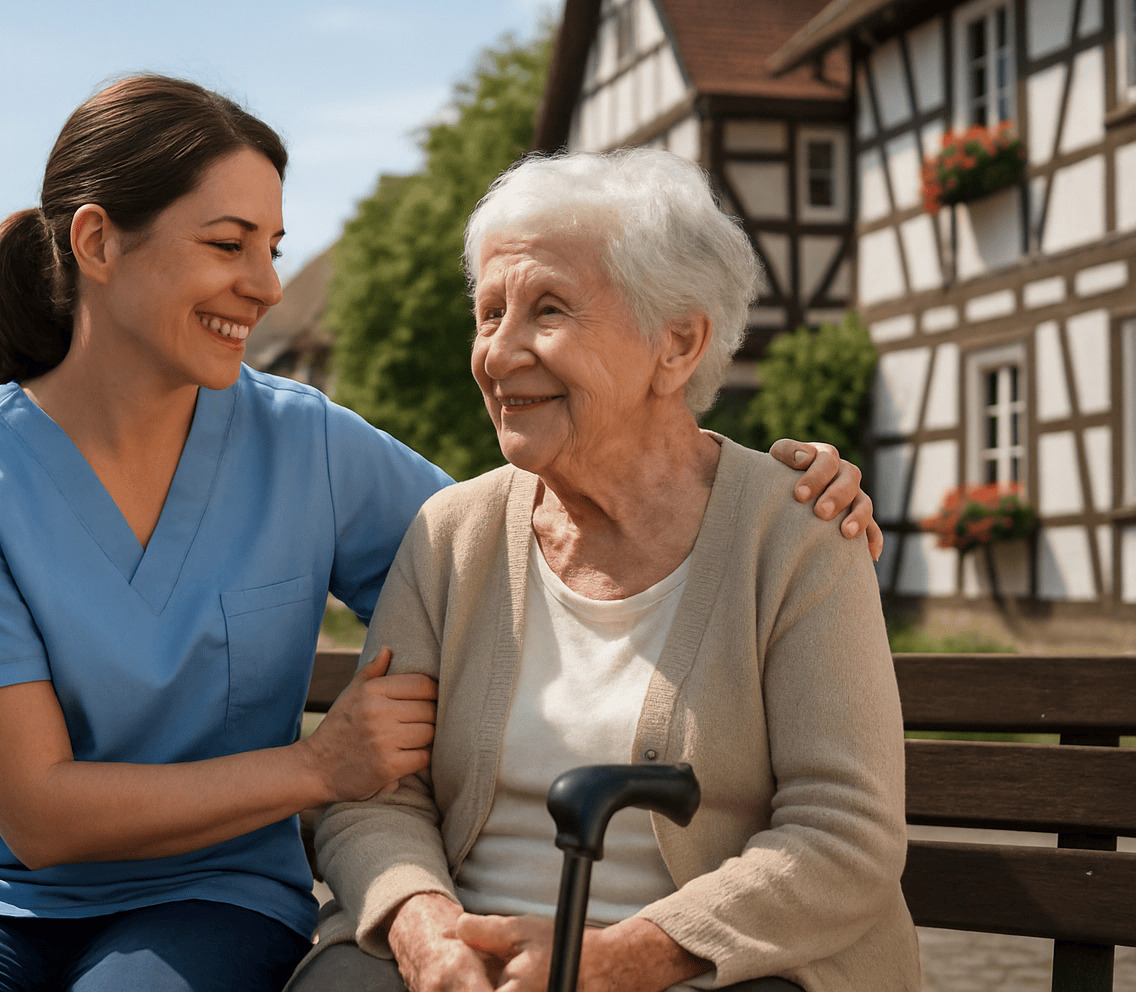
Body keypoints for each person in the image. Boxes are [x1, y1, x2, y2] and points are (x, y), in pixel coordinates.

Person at [0, 78, 881, 992]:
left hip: (210, 887)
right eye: (228, 243)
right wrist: (322, 772)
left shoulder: (309, 446)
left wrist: (774, 480)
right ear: (99, 244)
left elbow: (554, 514)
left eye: (272, 247)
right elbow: (41, 815)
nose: (269, 284)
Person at [294, 149, 919, 992]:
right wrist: (422, 926)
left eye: (548, 311)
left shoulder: (796, 533)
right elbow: (374, 796)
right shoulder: (450, 535)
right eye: (488, 314)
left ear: (678, 341)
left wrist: (620, 959)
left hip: (713, 969)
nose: (500, 352)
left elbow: (844, 835)